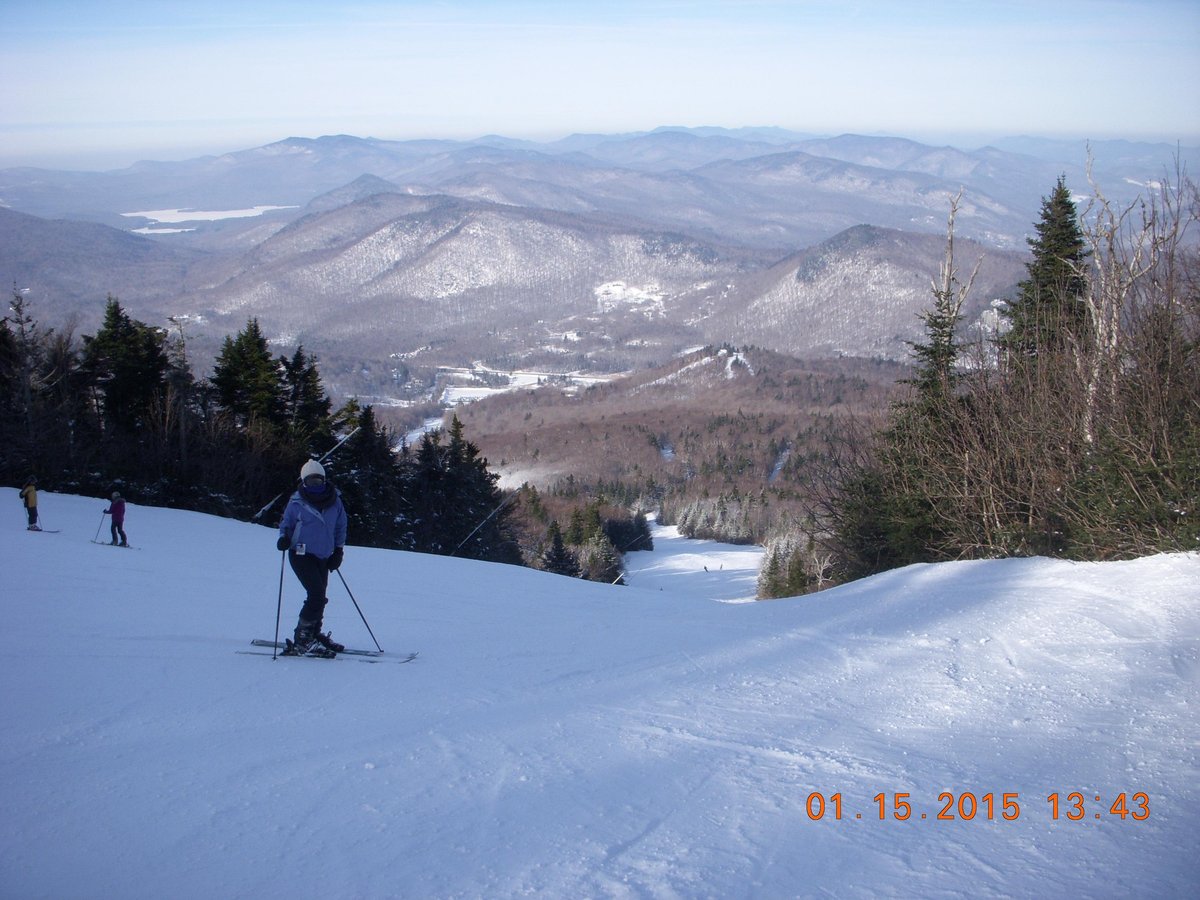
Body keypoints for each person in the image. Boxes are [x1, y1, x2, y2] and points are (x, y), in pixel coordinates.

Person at [276, 460, 348, 655]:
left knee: (320, 596)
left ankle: (314, 633)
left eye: (319, 480)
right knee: (316, 594)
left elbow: (341, 527)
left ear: (324, 480)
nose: (315, 485)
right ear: (304, 482)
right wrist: (283, 538)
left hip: (323, 555)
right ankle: (303, 638)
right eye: (311, 481)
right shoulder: (297, 501)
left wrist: (338, 551)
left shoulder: (335, 501)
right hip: (300, 554)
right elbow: (287, 524)